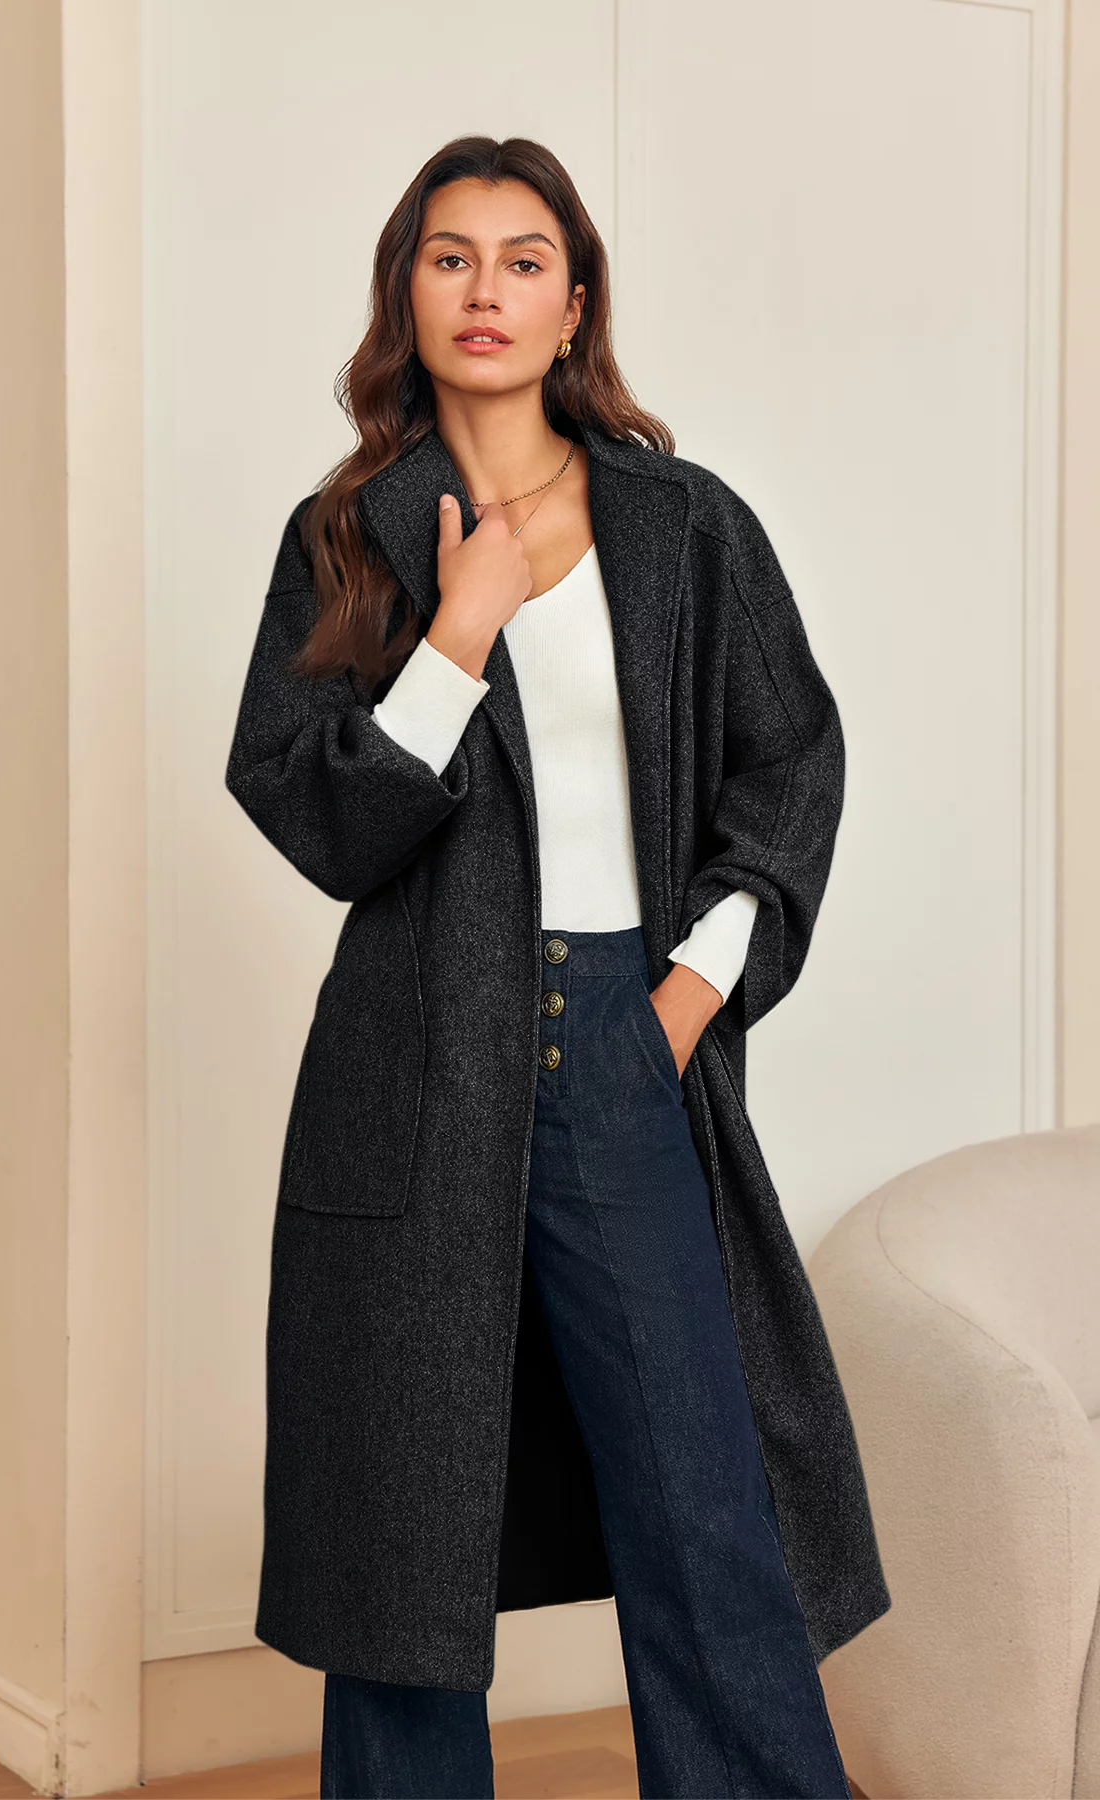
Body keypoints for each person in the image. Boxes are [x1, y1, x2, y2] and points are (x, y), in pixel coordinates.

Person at [226, 134, 887, 1800]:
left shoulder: (682, 524)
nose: (486, 290)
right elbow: (314, 815)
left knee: (703, 1504)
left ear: (574, 302)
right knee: (401, 1550)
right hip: (409, 1057)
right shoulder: (350, 536)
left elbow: (791, 768)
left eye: (524, 260)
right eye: (450, 257)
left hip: (618, 1028)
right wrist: (459, 632)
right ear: (407, 293)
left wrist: (687, 995)